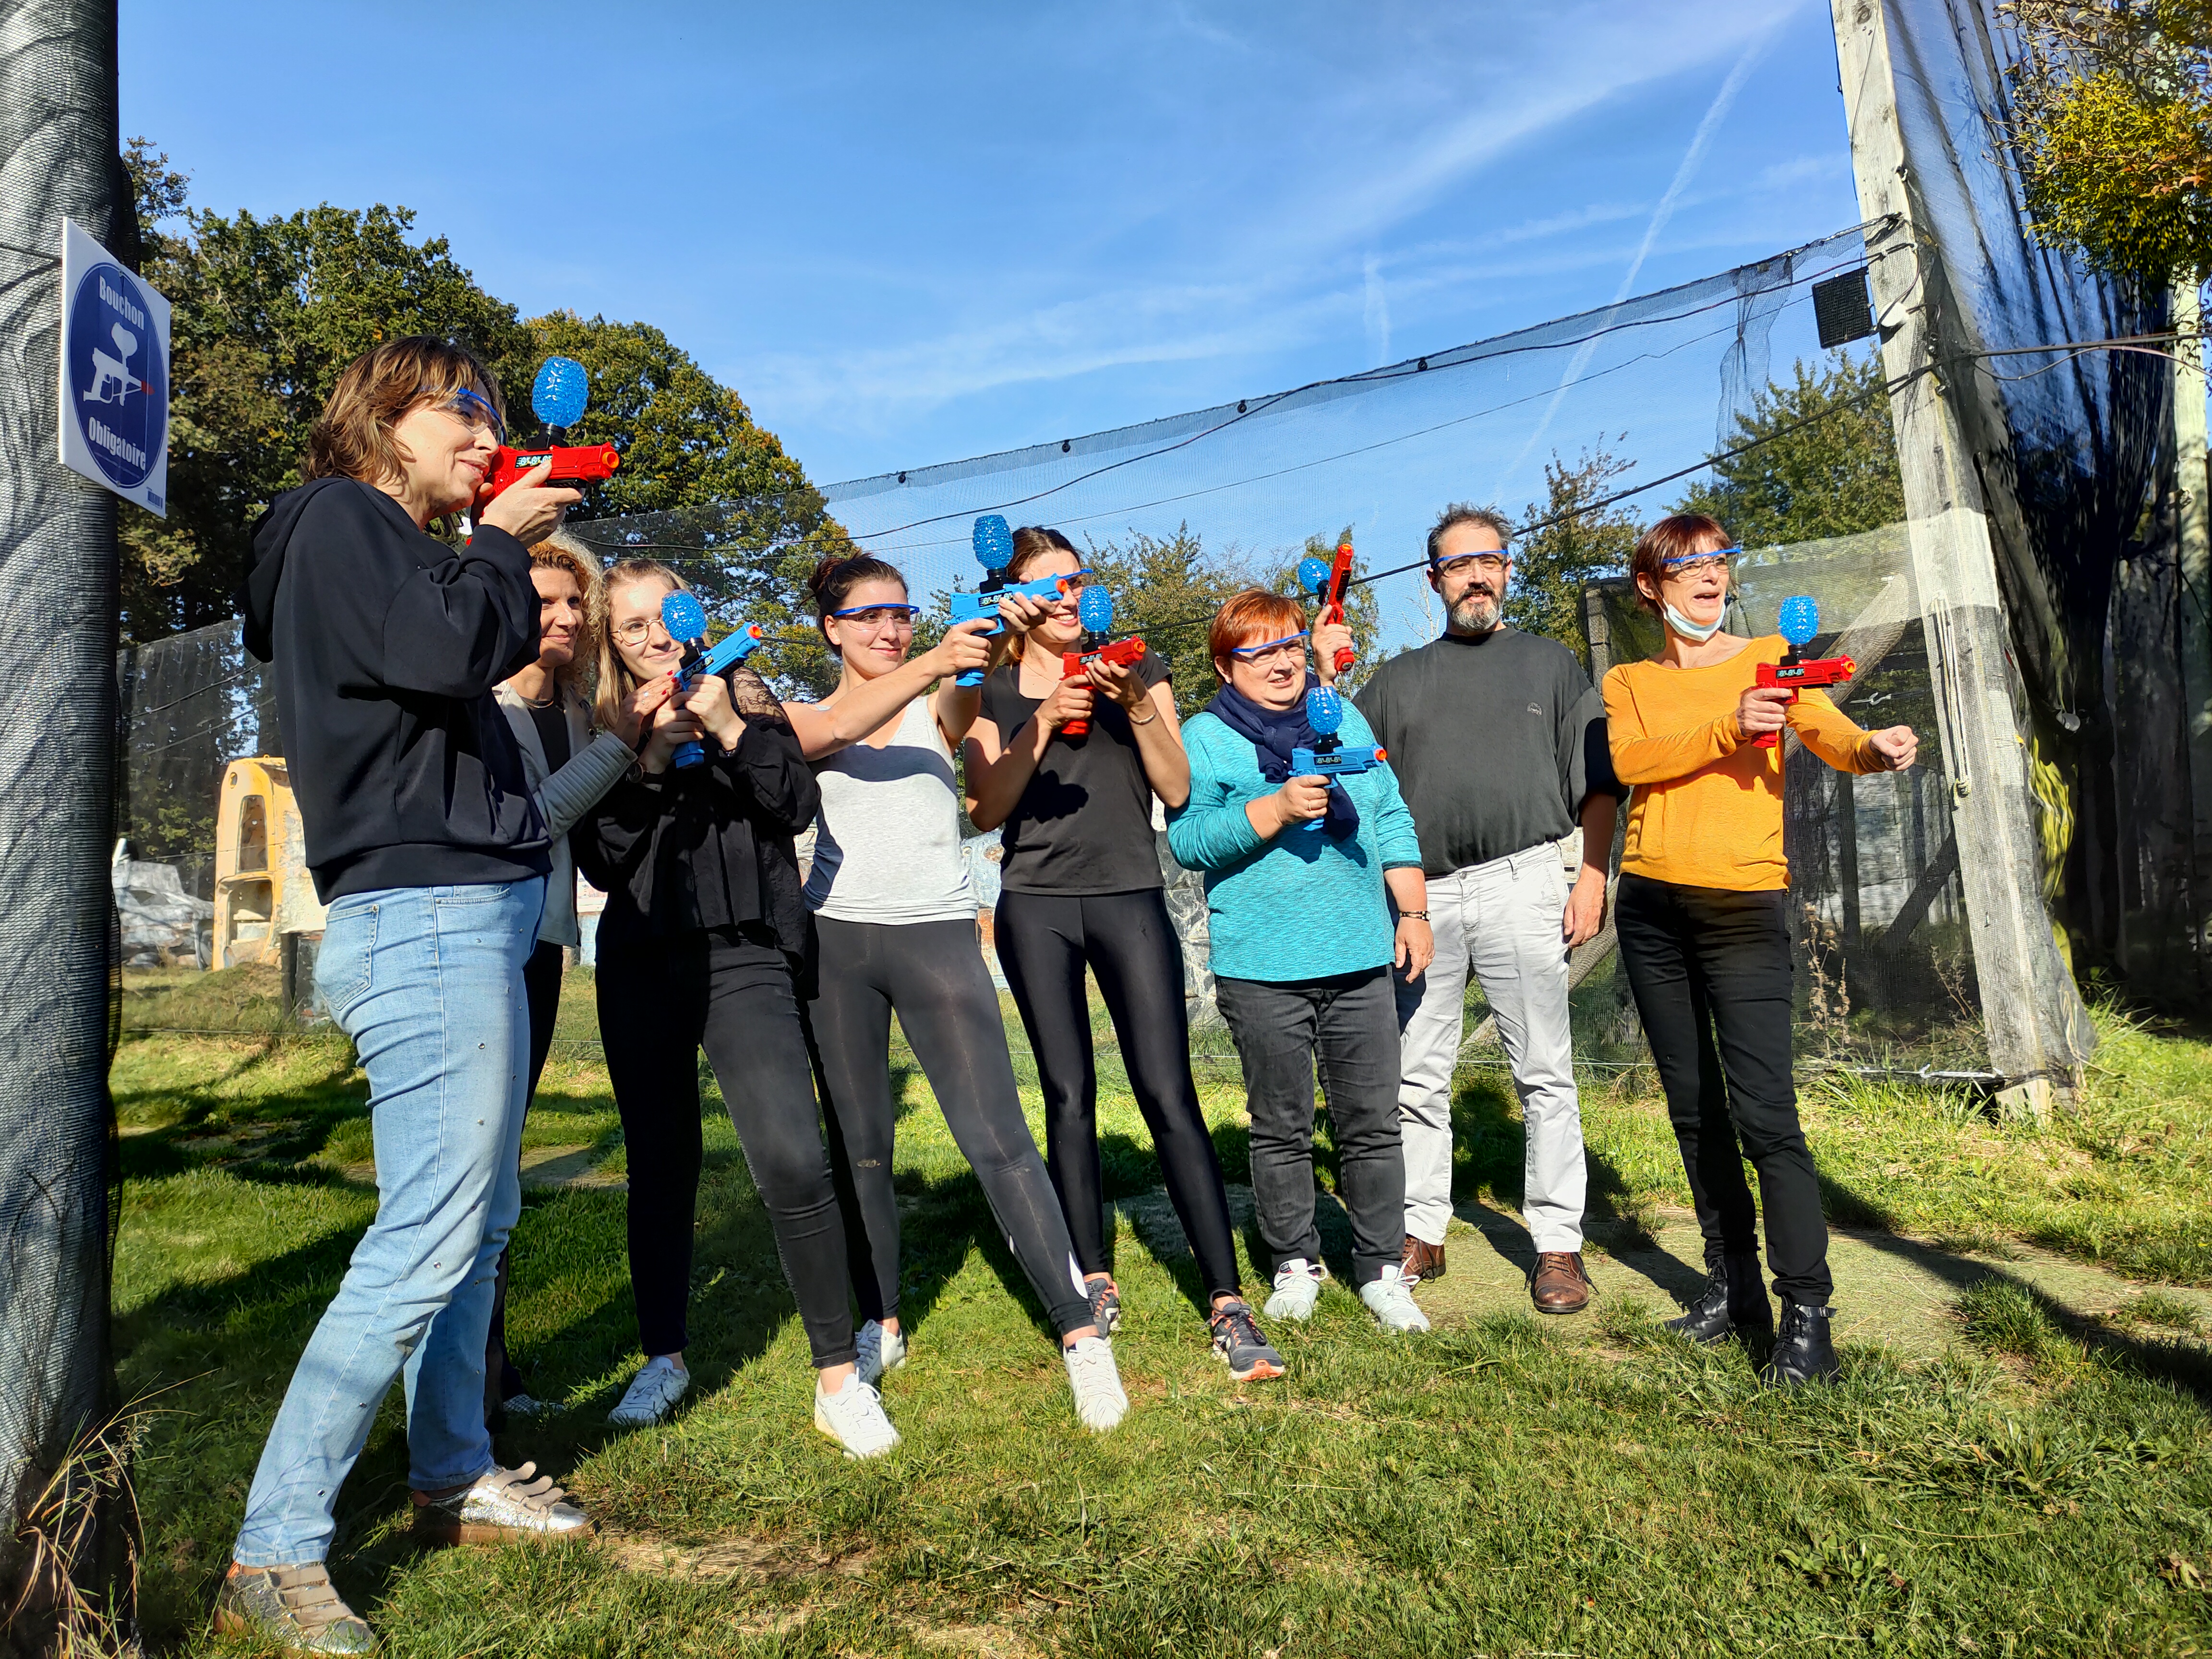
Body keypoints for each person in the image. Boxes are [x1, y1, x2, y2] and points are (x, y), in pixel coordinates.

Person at [224, 337, 590, 1655]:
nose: (489, 439)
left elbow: (452, 665)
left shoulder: (403, 549)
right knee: (425, 1241)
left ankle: (450, 1474)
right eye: (465, 413)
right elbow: (448, 653)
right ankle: (273, 1552)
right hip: (425, 918)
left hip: (467, 908)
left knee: (473, 1229)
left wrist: (480, 548)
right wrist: (496, 540)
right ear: (383, 419)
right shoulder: (339, 522)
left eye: (493, 419)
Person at [785, 552, 1131, 1431]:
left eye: (901, 614)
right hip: (837, 939)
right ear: (830, 626)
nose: (889, 629)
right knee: (861, 1147)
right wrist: (933, 658)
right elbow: (821, 738)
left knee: (1001, 1141)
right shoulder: (806, 711)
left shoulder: (940, 697)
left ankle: (1081, 1335)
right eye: (867, 616)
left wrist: (972, 651)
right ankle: (882, 1324)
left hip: (937, 933)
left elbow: (958, 698)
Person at [570, 558, 900, 1455]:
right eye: (630, 626)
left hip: (745, 949)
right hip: (641, 959)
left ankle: (838, 1374)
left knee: (793, 1158)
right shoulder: (599, 723)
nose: (653, 639)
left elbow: (790, 803)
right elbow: (602, 859)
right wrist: (642, 756)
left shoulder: (746, 696)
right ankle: (665, 1357)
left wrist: (721, 725)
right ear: (612, 640)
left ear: (692, 615)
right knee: (661, 1162)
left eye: (664, 618)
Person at [1601, 514, 1916, 1386]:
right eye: (1686, 563)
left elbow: (1828, 732)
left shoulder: (1772, 655)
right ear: (1651, 588)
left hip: (1743, 904)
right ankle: (1732, 1284)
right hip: (1651, 910)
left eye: (1718, 559)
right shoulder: (1628, 679)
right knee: (1694, 1111)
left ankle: (1807, 1316)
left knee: (1766, 1117)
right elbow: (1631, 760)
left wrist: (1874, 750)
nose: (1709, 574)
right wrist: (1728, 726)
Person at [963, 527, 1284, 1382]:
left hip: (1130, 896)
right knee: (1068, 1096)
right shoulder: (986, 688)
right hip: (1035, 908)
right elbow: (983, 810)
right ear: (1017, 601)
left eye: (1079, 582)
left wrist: (1133, 700)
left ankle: (1226, 1300)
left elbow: (1177, 791)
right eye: (1049, 587)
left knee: (1168, 1090)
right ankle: (1092, 1277)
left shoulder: (1139, 669)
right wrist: (1041, 718)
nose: (1068, 597)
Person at [1330, 504, 1620, 1316]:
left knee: (1544, 1075)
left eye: (1489, 561)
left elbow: (1598, 781)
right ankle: (1423, 1230)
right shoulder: (1394, 681)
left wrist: (1591, 877)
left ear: (1508, 568)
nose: (1476, 576)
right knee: (1418, 1077)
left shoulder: (1551, 666)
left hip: (1526, 881)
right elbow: (1347, 775)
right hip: (1422, 899)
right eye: (1459, 566)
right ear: (1434, 581)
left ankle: (1559, 1245)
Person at [1167, 590, 1434, 1335]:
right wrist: (1277, 810)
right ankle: (1294, 1262)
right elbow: (1190, 842)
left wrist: (1412, 912)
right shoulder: (1207, 736)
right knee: (1280, 1125)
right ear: (1226, 665)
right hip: (1262, 961)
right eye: (1258, 651)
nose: (1282, 662)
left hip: (1358, 952)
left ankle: (1382, 1269)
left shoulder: (1341, 717)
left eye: (1290, 645)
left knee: (1373, 1122)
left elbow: (1388, 814)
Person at [483, 534, 673, 1424]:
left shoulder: (573, 707)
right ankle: (472, 1380)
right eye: (540, 602)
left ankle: (492, 1371)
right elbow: (536, 819)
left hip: (545, 942)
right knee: (476, 1164)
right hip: (482, 941)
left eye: (572, 605)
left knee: (504, 1159)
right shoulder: (480, 705)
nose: (558, 619)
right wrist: (626, 743)